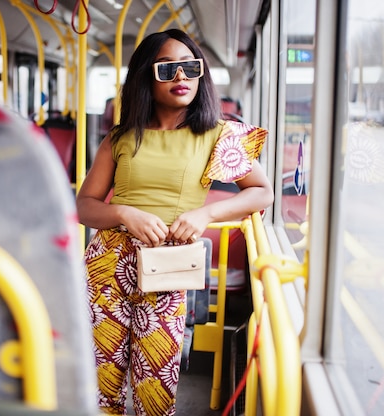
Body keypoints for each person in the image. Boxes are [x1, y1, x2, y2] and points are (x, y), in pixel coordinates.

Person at [76, 28, 273, 415]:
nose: (181, 77)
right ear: (146, 76)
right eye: (167, 69)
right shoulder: (120, 137)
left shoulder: (219, 135)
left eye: (189, 67)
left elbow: (262, 192)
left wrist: (206, 214)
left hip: (168, 267)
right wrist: (122, 212)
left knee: (156, 388)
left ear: (201, 74)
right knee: (98, 388)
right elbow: (85, 206)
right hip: (106, 266)